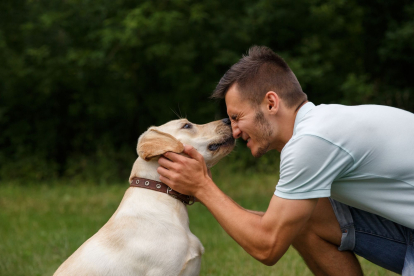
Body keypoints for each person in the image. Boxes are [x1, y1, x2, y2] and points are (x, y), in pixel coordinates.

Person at [157, 46, 414, 275]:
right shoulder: (322, 126)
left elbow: (267, 246)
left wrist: (202, 187)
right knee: (301, 220)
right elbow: (276, 224)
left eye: (237, 117)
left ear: (271, 103)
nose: (234, 131)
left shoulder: (312, 141)